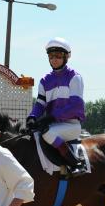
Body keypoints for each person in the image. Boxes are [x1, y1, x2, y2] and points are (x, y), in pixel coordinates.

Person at [26, 37, 87, 177]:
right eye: (51, 56)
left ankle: (76, 163)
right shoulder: (45, 80)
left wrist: (52, 116)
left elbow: (76, 106)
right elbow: (40, 104)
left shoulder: (74, 77)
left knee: (48, 133)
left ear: (66, 57)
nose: (54, 59)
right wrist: (32, 117)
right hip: (52, 124)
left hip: (71, 125)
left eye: (58, 56)